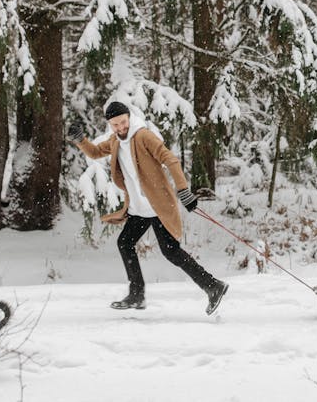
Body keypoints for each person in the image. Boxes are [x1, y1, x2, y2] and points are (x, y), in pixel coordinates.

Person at [68, 101, 229, 315]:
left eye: (123, 122)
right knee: (125, 243)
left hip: (157, 207)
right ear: (110, 125)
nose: (121, 128)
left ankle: (213, 286)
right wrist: (81, 140)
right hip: (139, 209)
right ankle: (137, 294)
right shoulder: (115, 141)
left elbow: (170, 159)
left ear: (129, 118)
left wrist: (183, 190)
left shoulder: (143, 136)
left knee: (171, 252)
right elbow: (96, 152)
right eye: (115, 125)